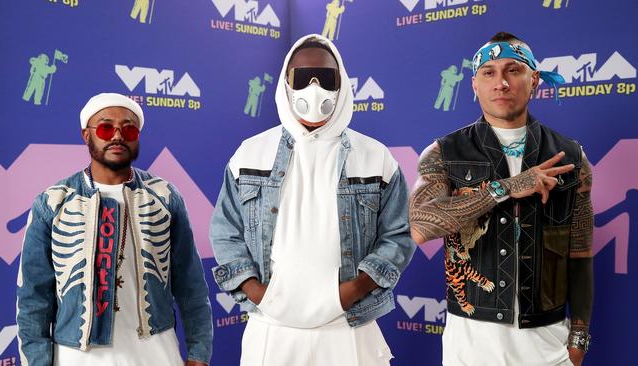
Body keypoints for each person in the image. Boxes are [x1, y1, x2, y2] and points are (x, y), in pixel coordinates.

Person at [210, 34, 415, 366]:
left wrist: (354, 290)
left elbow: (397, 235)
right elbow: (225, 231)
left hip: (348, 327)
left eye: (326, 78)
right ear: (286, 83)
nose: (314, 88)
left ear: (341, 84)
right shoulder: (250, 153)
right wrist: (257, 292)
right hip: (271, 328)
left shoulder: (376, 157)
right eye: (302, 78)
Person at [409, 32, 593, 366]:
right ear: (474, 84)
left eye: (513, 70)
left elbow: (580, 255)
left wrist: (578, 340)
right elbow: (420, 225)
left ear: (534, 79)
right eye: (489, 72)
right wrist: (506, 187)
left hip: (548, 347)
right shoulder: (443, 153)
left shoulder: (572, 158)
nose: (501, 83)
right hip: (471, 348)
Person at [17, 93, 213, 366]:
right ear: (87, 135)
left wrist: (199, 353)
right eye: (106, 127)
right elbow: (33, 297)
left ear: (137, 136)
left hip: (157, 351)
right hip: (78, 355)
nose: (117, 136)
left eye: (129, 128)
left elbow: (191, 284)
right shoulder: (52, 202)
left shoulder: (165, 196)